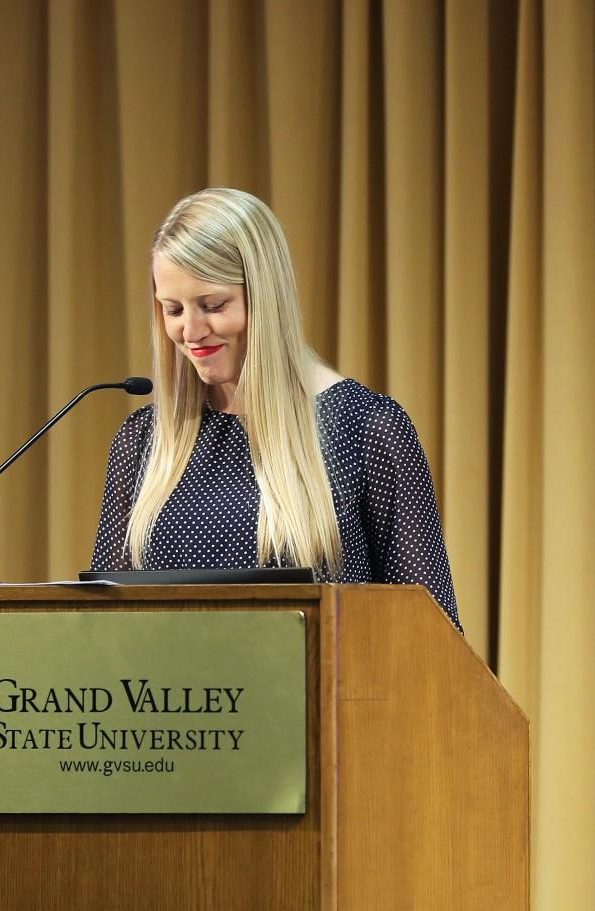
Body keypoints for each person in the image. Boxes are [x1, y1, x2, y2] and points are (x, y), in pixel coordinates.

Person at [90, 187, 462, 632]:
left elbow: (431, 634)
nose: (190, 331)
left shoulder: (366, 427)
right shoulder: (142, 441)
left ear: (265, 297)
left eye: (212, 305)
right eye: (173, 309)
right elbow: (104, 626)